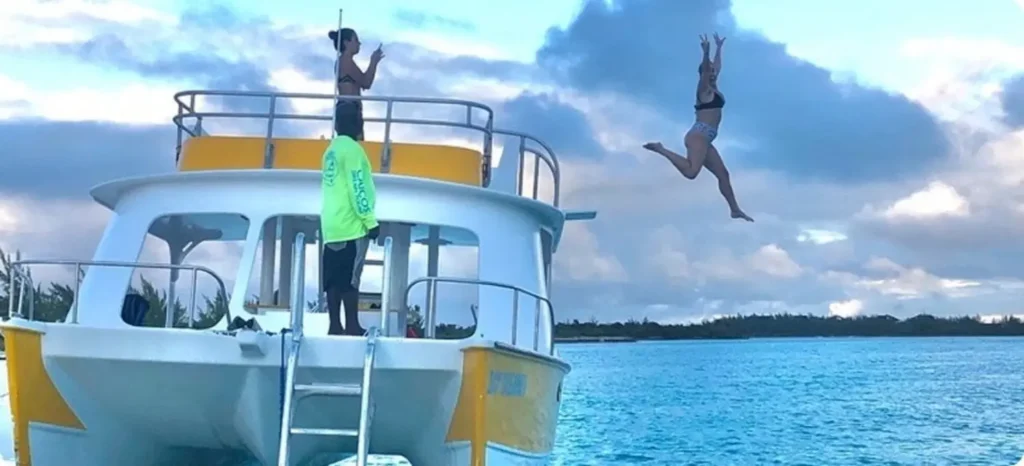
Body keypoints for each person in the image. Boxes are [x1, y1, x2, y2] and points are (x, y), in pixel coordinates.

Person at [643, 33, 753, 222]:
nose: (713, 72)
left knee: (723, 175)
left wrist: (719, 48)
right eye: (709, 71)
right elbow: (704, 73)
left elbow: (717, 67)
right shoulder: (703, 90)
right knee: (692, 172)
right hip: (698, 136)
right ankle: (661, 149)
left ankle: (734, 209)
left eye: (713, 71)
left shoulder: (714, 86)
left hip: (706, 138)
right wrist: (705, 53)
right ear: (703, 73)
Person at [321, 134, 380, 336]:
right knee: (350, 279)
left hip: (331, 227)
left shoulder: (330, 151)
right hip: (351, 225)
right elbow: (358, 186)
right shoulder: (353, 150)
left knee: (332, 280)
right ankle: (353, 325)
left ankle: (334, 325)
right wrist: (370, 221)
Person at [327, 27, 385, 141]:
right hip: (349, 110)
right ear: (346, 43)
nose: (359, 43)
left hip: (348, 109)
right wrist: (373, 62)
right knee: (354, 146)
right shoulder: (345, 61)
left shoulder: (343, 61)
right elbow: (366, 82)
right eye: (356, 40)